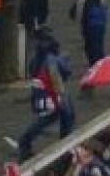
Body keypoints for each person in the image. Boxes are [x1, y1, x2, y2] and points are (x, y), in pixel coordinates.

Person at [16, 30, 74, 159]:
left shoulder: (38, 58)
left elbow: (34, 71)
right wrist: (61, 95)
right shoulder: (52, 60)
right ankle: (65, 145)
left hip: (41, 95)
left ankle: (65, 143)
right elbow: (57, 76)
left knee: (50, 118)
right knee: (58, 117)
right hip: (51, 96)